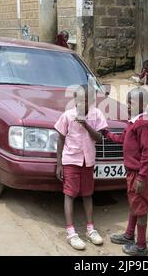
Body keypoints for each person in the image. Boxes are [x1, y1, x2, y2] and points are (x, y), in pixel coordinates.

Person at [54, 84, 108, 250]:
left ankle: (90, 229)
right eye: (78, 99)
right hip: (71, 160)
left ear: (91, 100)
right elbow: (61, 139)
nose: (81, 103)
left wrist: (85, 124)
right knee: (69, 194)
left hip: (88, 160)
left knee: (87, 194)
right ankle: (71, 233)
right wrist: (59, 163)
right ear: (74, 100)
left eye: (85, 100)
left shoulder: (97, 114)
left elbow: (99, 138)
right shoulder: (67, 116)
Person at [103, 87, 148, 256]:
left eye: (130, 102)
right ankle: (128, 235)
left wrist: (141, 177)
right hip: (132, 172)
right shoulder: (132, 123)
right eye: (127, 102)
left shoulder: (143, 125)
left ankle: (141, 246)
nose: (127, 105)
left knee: (140, 207)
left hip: (139, 173)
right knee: (134, 203)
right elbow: (122, 139)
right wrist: (105, 133)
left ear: (142, 104)